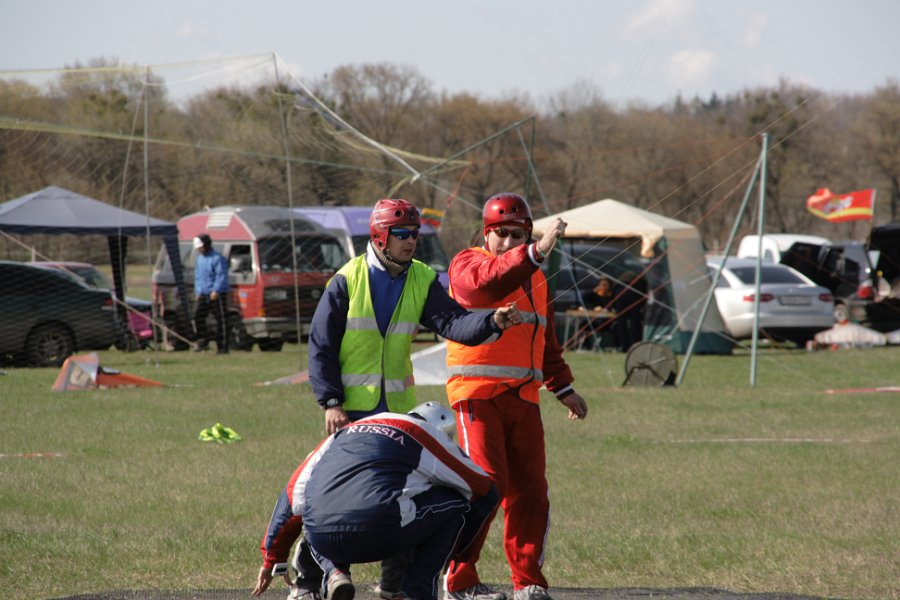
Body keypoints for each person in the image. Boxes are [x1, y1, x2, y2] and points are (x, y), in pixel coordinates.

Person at [302, 198, 522, 600]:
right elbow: (321, 346)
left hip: (398, 414)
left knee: (400, 494)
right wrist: (331, 402)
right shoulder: (347, 279)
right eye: (402, 234)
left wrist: (491, 321)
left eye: (415, 234)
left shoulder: (421, 278)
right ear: (379, 236)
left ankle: (393, 586)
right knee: (336, 492)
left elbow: (452, 322)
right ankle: (329, 577)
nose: (411, 241)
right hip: (350, 411)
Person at [443, 193, 589, 600]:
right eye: (501, 234)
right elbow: (491, 281)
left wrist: (563, 388)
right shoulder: (467, 263)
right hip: (476, 395)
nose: (508, 242)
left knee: (530, 493)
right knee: (486, 486)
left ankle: (527, 582)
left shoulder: (537, 277)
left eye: (517, 234)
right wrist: (536, 250)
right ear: (486, 234)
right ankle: (457, 578)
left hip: (523, 398)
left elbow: (547, 340)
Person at [253, 403, 500, 600]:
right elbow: (485, 489)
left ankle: (335, 572)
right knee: (455, 502)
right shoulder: (424, 434)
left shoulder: (343, 433)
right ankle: (415, 592)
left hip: (323, 536)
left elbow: (291, 495)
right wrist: (463, 554)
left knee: (321, 506)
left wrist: (273, 557)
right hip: (381, 531)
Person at [192, 233, 230, 354]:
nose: (199, 250)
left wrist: (216, 290)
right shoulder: (200, 259)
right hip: (203, 293)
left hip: (216, 294)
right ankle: (203, 342)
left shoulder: (218, 258)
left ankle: (222, 347)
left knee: (221, 320)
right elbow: (198, 276)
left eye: (201, 247)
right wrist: (198, 291)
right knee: (198, 316)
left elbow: (221, 275)